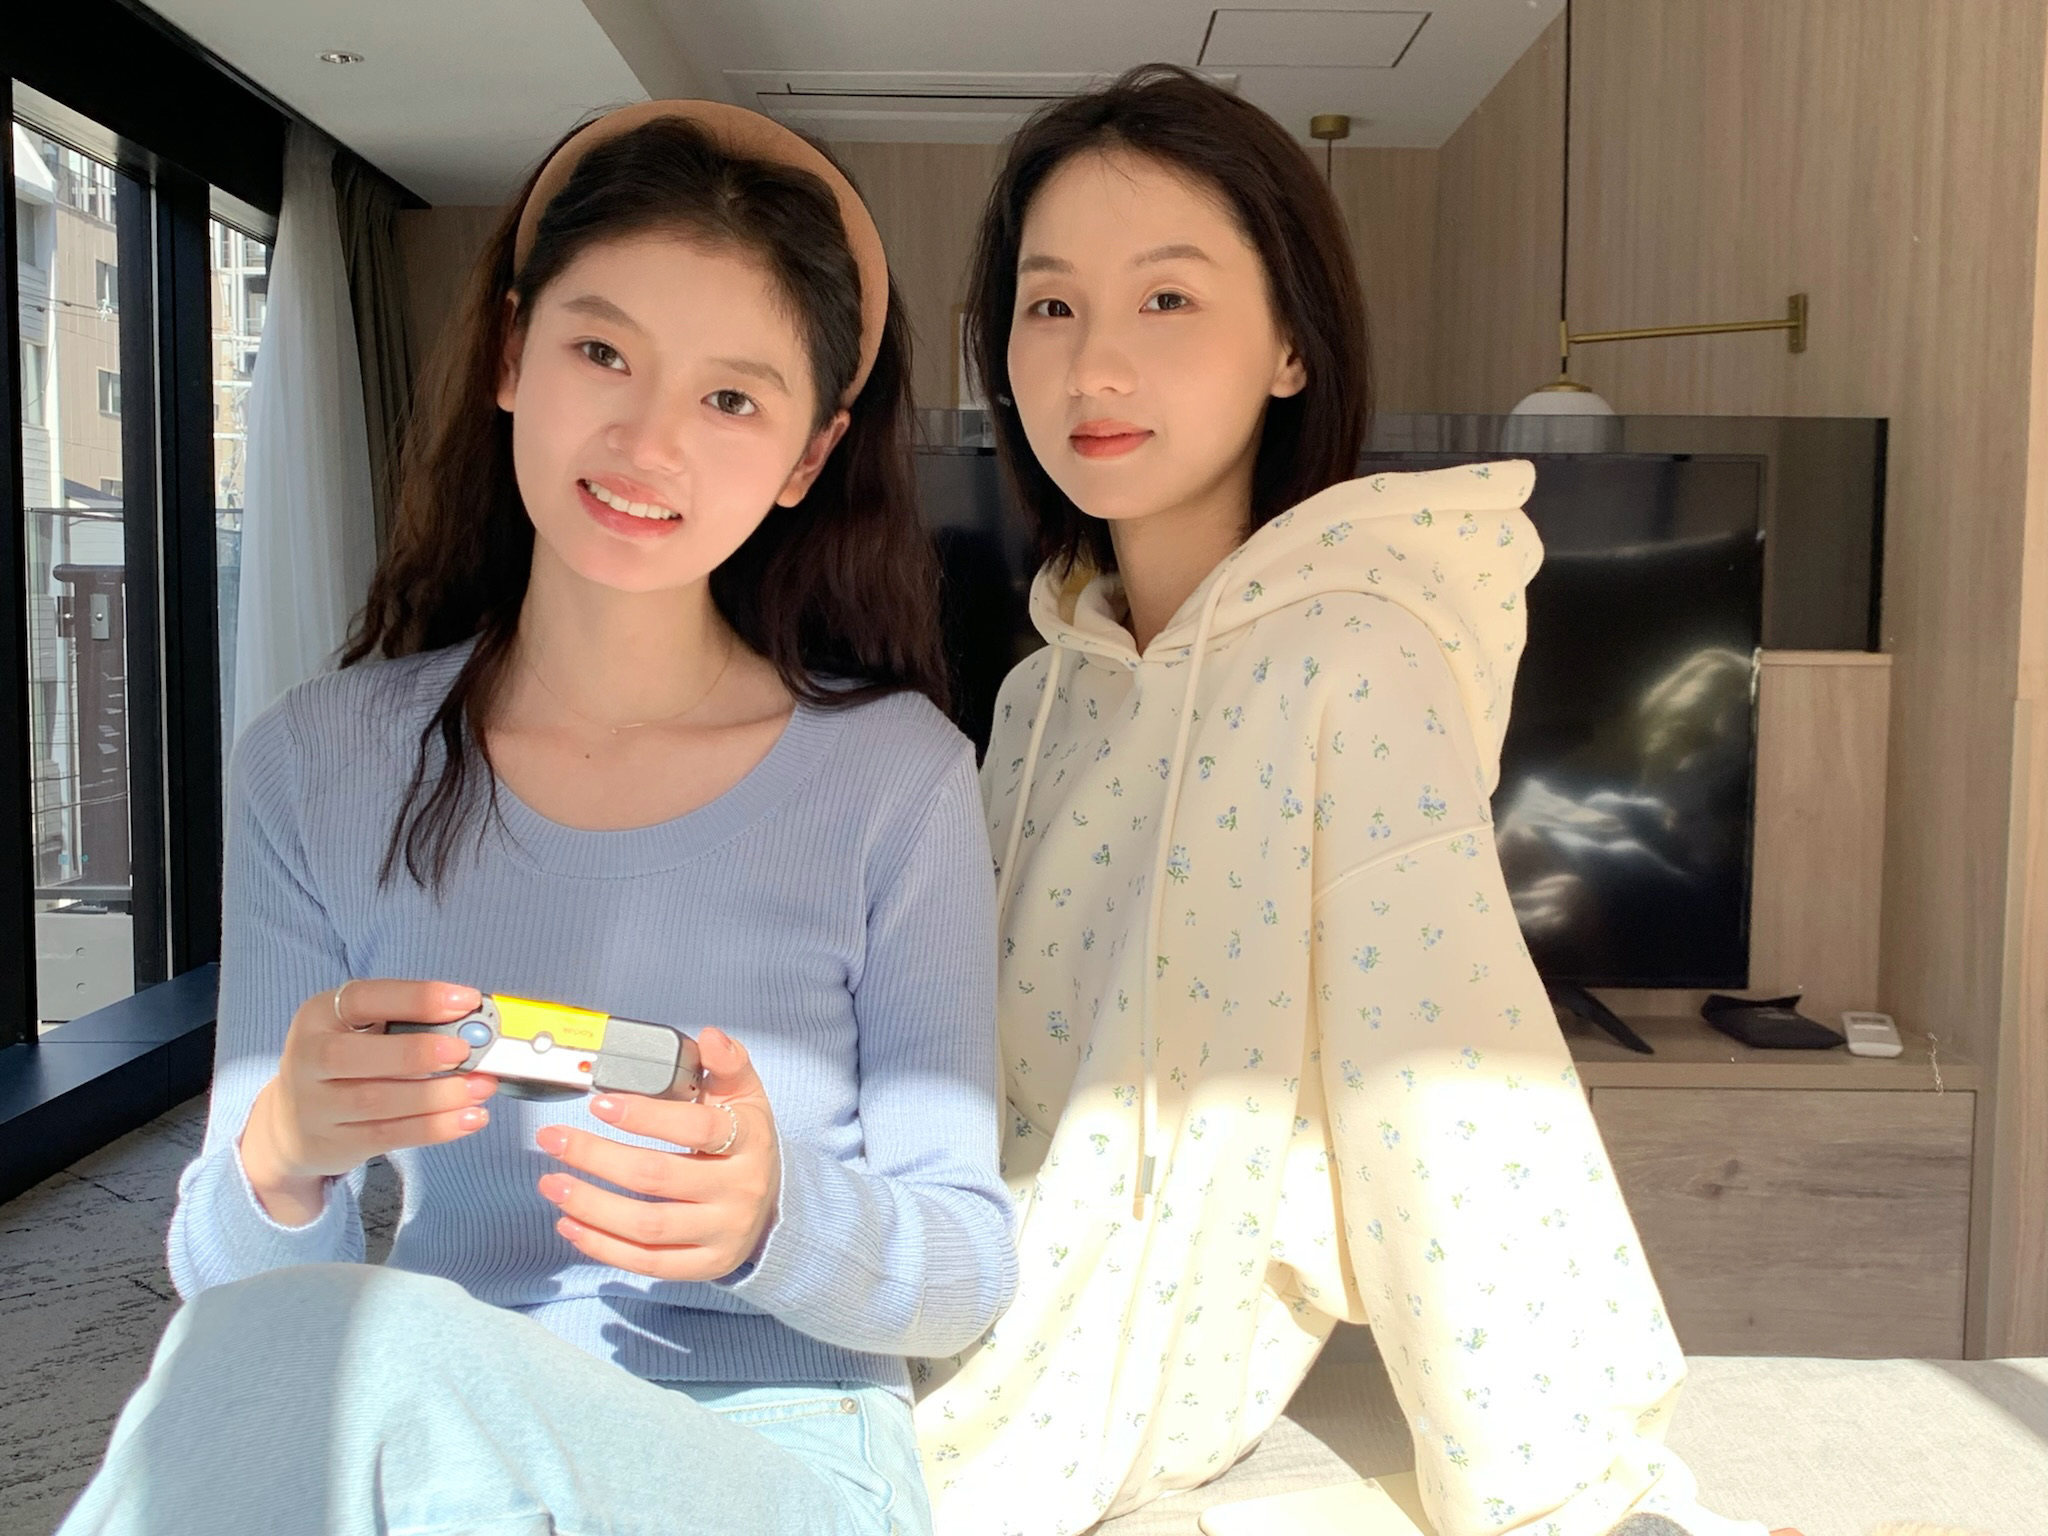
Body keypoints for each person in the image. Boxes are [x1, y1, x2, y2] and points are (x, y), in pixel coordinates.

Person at [59, 100, 1013, 1536]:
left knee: (362, 1353)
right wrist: (280, 1158)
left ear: (807, 459)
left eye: (732, 400)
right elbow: (236, 1308)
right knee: (315, 1356)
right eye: (603, 353)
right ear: (513, 354)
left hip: (777, 1453)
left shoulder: (897, 779)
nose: (648, 440)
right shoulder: (317, 764)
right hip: (433, 1441)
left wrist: (775, 1215)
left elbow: (967, 1266)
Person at [912, 66, 1785, 1536]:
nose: (1093, 365)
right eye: (1050, 304)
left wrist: (1565, 1488)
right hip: (947, 1278)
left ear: (1290, 348)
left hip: (1110, 1376)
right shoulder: (1042, 691)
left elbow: (1448, 1072)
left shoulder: (1351, 661)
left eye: (1168, 299)